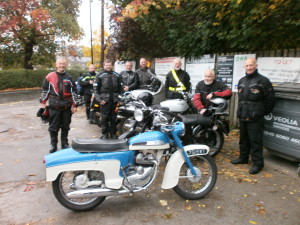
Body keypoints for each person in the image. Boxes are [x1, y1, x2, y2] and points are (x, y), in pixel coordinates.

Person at [231, 57, 275, 174]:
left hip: (256, 117)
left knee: (256, 141)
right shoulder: (241, 81)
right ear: (244, 67)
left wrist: (261, 112)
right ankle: (243, 158)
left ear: (256, 65)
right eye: (247, 66)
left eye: (251, 65)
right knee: (243, 139)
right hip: (243, 115)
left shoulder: (263, 81)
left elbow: (270, 100)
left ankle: (258, 164)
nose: (249, 67)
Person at [40, 58, 77, 153]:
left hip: (66, 106)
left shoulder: (69, 77)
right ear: (56, 65)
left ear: (66, 65)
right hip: (54, 106)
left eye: (63, 64)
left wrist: (75, 105)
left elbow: (74, 92)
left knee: (65, 126)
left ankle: (64, 144)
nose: (62, 65)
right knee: (53, 127)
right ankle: (54, 145)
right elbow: (45, 90)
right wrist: (43, 103)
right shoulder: (50, 76)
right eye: (60, 64)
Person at [94, 59, 122, 139]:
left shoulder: (117, 75)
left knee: (114, 118)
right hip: (104, 101)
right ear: (104, 66)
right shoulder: (99, 75)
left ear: (112, 65)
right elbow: (95, 90)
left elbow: (121, 89)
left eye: (110, 65)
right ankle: (104, 133)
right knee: (104, 118)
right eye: (107, 65)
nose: (108, 66)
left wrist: (120, 100)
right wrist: (99, 100)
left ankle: (113, 133)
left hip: (115, 100)